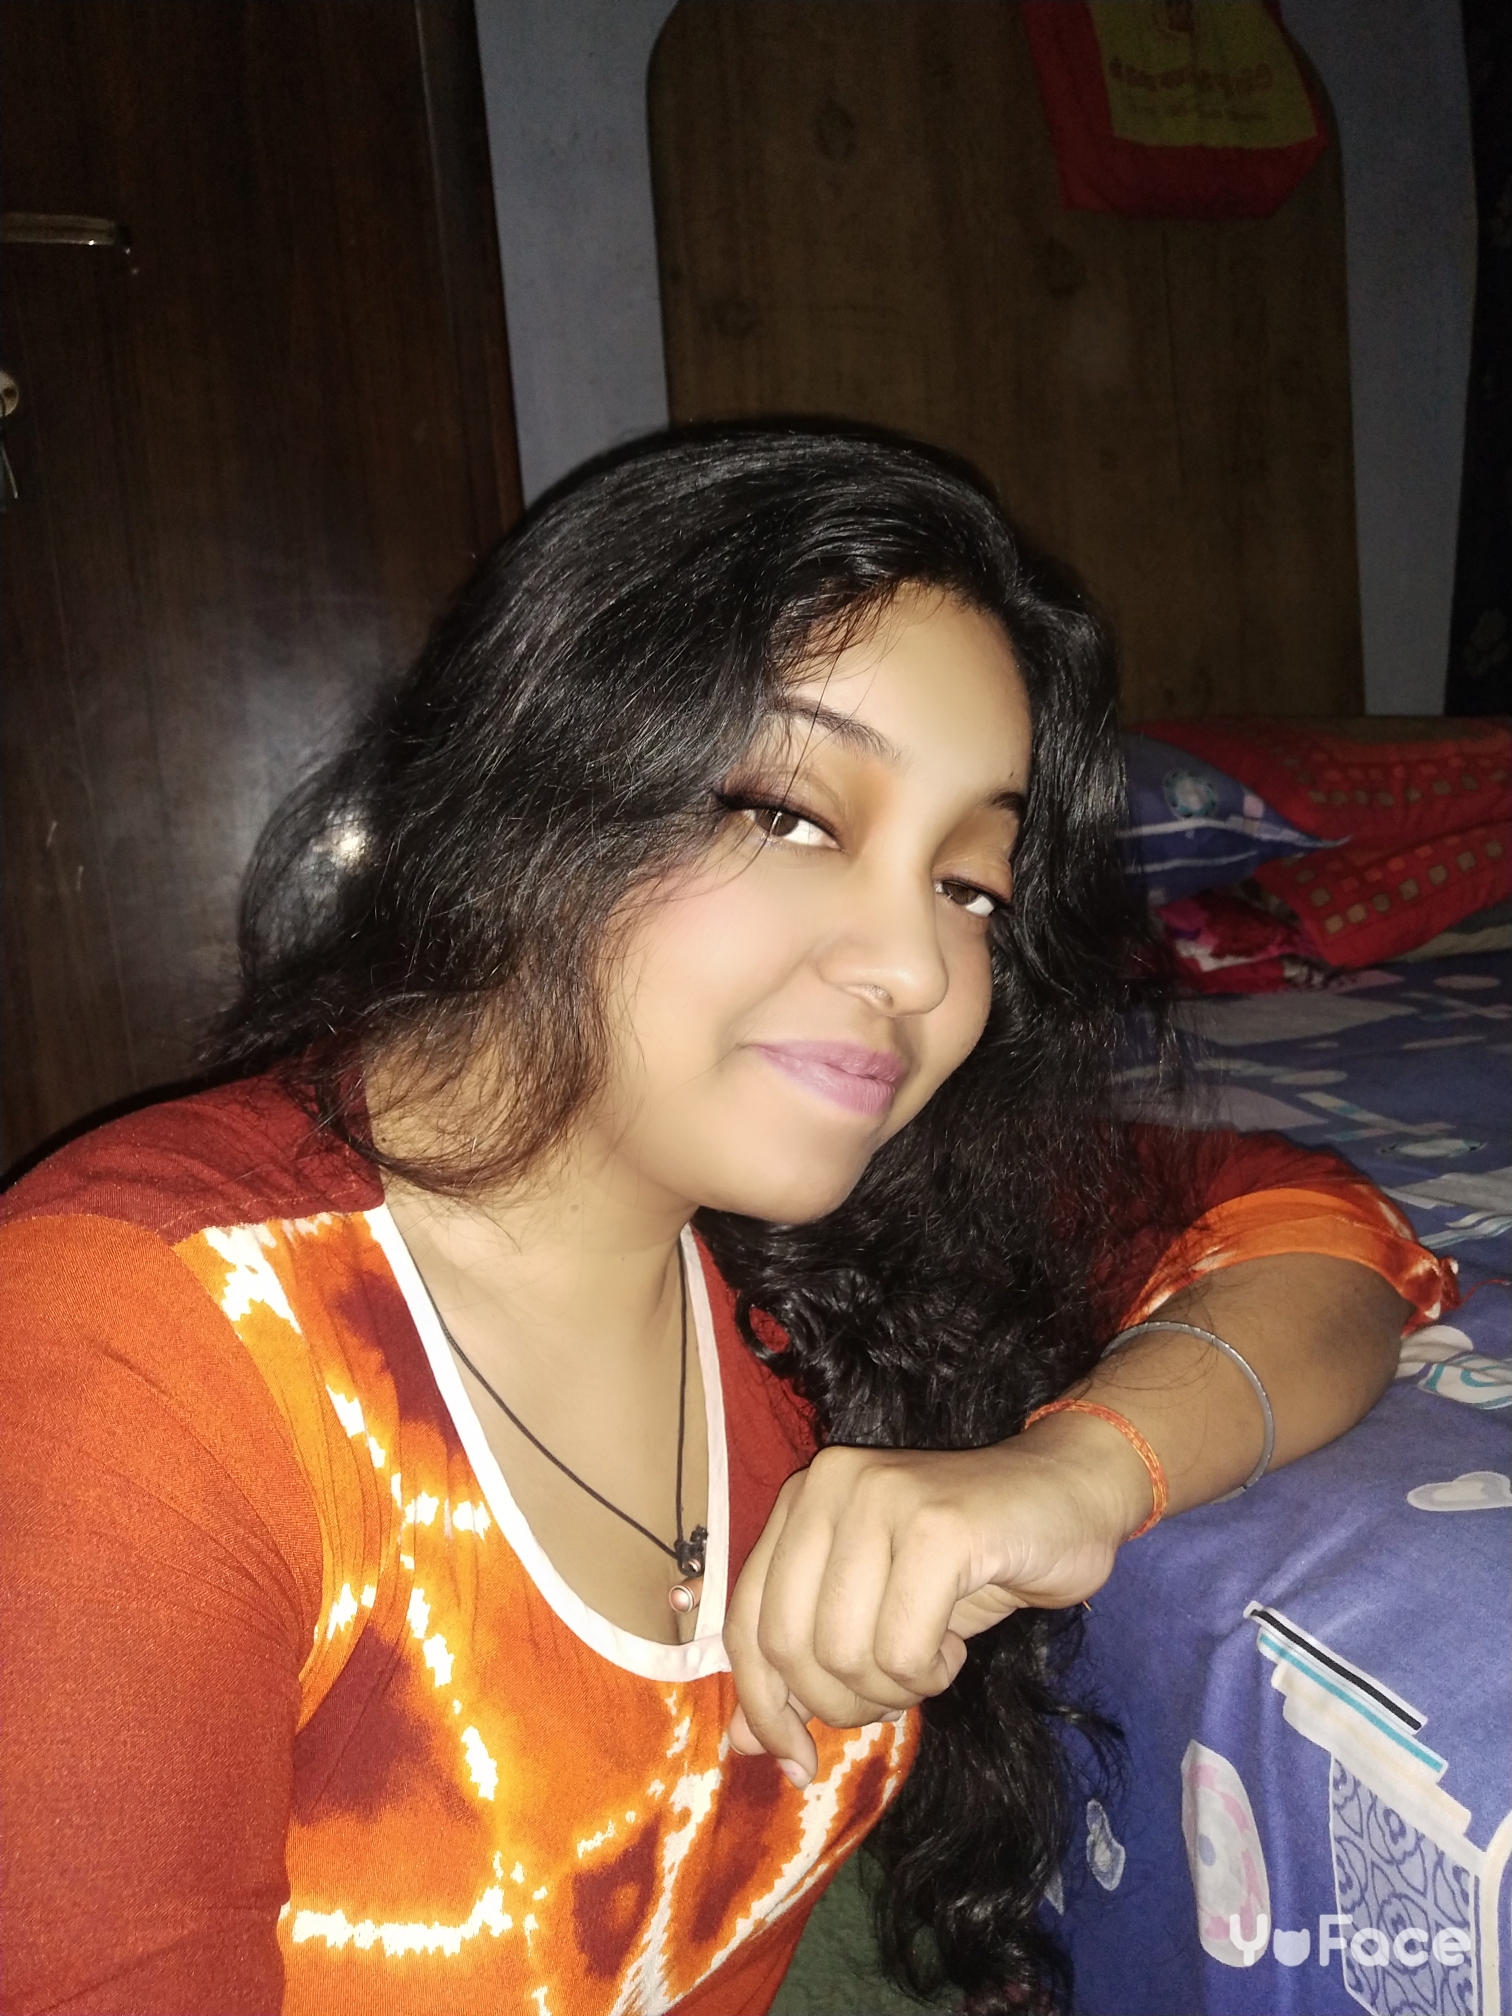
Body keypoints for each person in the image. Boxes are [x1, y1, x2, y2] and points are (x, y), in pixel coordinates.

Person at [0, 430, 1454, 2016]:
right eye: (796, 817)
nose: (915, 965)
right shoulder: (142, 1351)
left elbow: (1324, 1234)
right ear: (539, 781)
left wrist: (1078, 1470)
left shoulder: (827, 1251)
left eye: (970, 884)